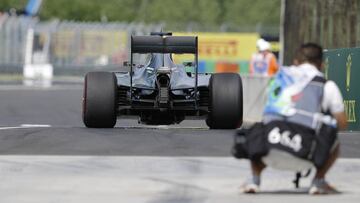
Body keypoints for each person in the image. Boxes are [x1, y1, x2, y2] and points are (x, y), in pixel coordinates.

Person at [242, 43, 347, 194]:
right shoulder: (326, 85)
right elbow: (342, 123)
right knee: (333, 138)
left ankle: (254, 180)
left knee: (258, 127)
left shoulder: (277, 79)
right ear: (321, 65)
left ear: (296, 62)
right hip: (305, 156)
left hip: (267, 154)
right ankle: (318, 181)